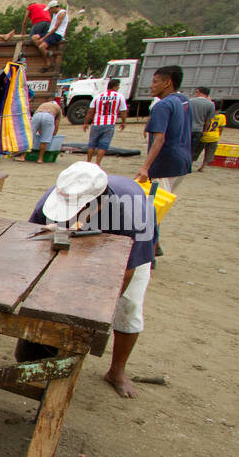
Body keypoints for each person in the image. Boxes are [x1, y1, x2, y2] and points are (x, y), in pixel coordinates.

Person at [30, 162, 157, 398]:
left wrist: (102, 311)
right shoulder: (53, 196)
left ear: (96, 203)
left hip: (127, 249)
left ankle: (116, 372)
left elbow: (127, 270)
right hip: (78, 235)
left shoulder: (131, 213)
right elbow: (35, 241)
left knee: (129, 306)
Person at [135, 65, 192, 194]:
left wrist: (145, 167)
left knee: (151, 208)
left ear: (167, 83)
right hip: (181, 163)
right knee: (161, 203)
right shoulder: (183, 101)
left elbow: (159, 139)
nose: (151, 86)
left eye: (155, 82)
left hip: (165, 165)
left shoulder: (162, 106)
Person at [84, 78, 127, 165]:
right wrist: (123, 122)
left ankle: (88, 162)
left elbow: (90, 111)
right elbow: (123, 111)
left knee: (92, 143)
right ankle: (97, 163)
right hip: (109, 122)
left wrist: (86, 123)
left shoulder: (98, 96)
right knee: (103, 145)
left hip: (97, 122)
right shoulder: (119, 96)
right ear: (115, 86)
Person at [195, 96, 225, 172]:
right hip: (214, 137)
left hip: (204, 136)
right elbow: (221, 128)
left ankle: (190, 164)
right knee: (209, 153)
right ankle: (203, 167)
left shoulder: (208, 115)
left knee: (196, 151)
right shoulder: (222, 117)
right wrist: (218, 135)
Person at [188, 85, 216, 163]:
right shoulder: (211, 104)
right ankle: (187, 165)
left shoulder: (190, 101)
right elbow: (208, 121)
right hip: (199, 130)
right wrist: (205, 130)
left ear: (198, 92)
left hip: (187, 129)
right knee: (192, 150)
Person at [29, 98, 62, 162]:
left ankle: (23, 156)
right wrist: (54, 133)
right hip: (49, 116)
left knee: (30, 136)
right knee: (45, 139)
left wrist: (39, 129)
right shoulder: (58, 108)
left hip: (37, 115)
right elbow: (57, 124)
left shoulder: (43, 104)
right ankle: (40, 159)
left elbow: (38, 119)